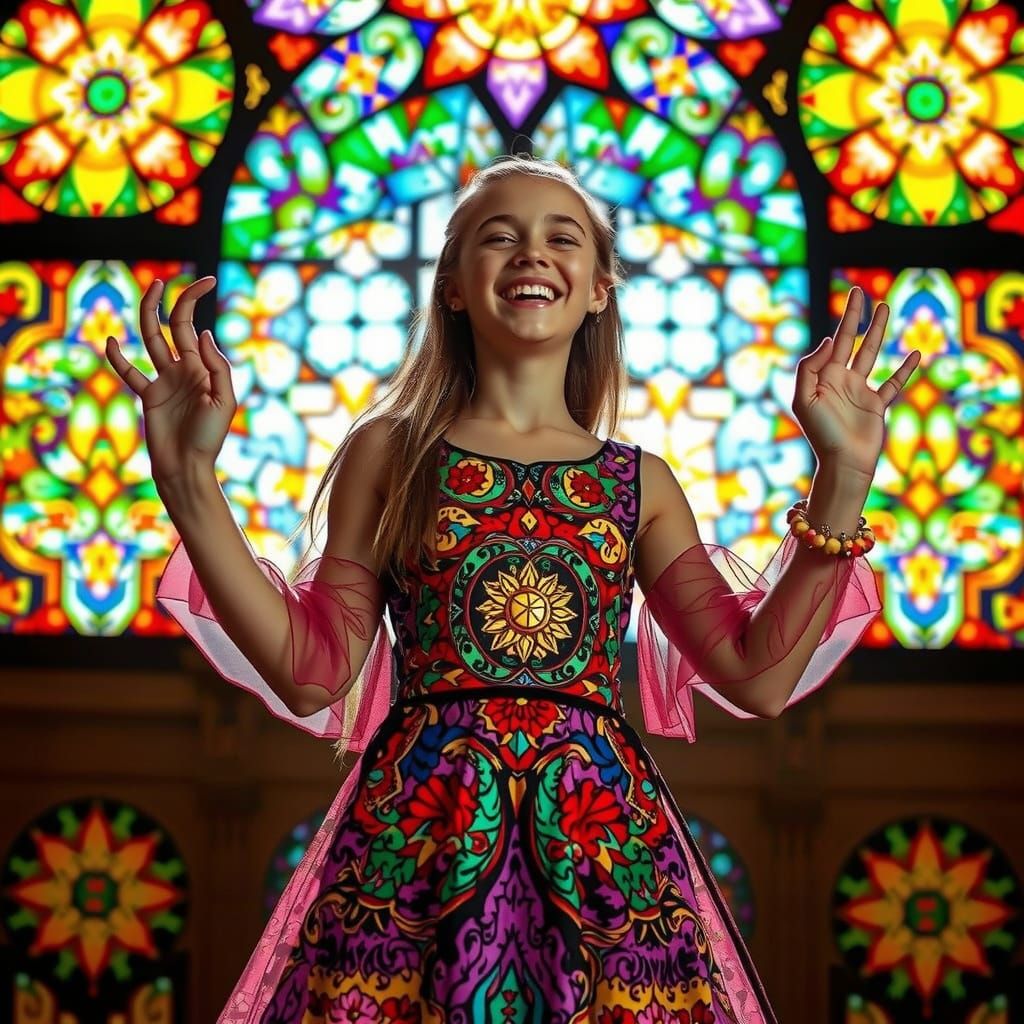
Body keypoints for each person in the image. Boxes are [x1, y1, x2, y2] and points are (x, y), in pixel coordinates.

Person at [106, 155, 919, 1024]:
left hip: (606, 856)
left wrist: (844, 471)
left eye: (561, 237)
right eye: (500, 237)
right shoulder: (391, 454)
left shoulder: (642, 485)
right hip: (418, 850)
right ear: (452, 286)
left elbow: (757, 672)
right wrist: (190, 480)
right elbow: (313, 669)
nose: (532, 254)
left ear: (600, 288)